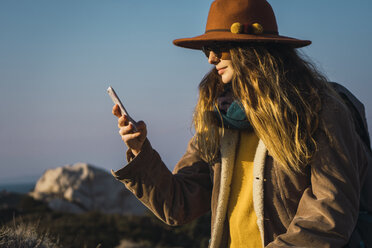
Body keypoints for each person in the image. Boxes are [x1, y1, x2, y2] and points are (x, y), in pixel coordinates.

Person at [110, 0, 372, 247]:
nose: (211, 58)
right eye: (206, 48)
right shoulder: (218, 118)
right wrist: (140, 151)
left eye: (219, 46)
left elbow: (330, 215)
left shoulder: (318, 109)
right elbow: (179, 205)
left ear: (253, 48)